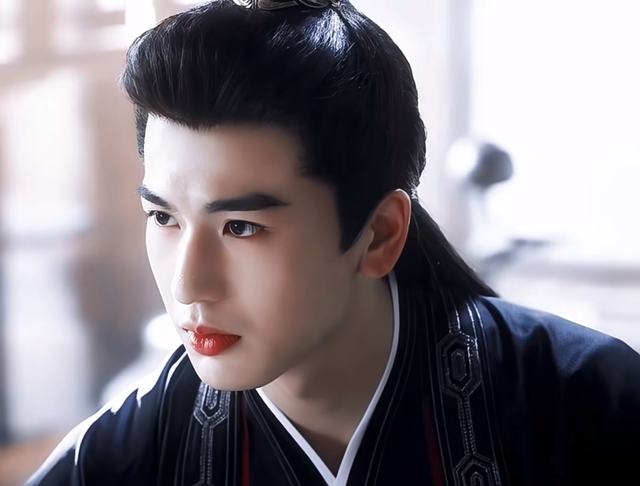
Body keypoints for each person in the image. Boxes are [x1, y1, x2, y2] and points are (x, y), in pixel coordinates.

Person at [26, 0, 640, 485]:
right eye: (164, 218)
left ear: (379, 234)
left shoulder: (589, 402)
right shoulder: (130, 450)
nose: (188, 285)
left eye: (242, 227)